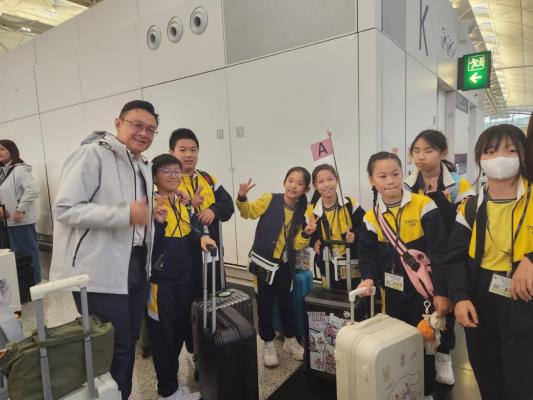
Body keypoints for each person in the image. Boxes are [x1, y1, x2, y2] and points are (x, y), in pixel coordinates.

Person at [50, 100, 159, 400]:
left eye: (151, 129)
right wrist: (124, 214)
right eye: (137, 125)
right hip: (98, 270)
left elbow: (136, 215)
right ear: (118, 123)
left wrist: (151, 217)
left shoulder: (143, 164)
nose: (144, 133)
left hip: (136, 264)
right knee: (113, 347)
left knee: (129, 340)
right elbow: (65, 209)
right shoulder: (93, 154)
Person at [447, 124, 533, 400]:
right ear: (480, 159)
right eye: (491, 151)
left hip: (525, 296)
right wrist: (460, 297)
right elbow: (455, 257)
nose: (500, 158)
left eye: (510, 150)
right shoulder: (471, 206)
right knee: (487, 371)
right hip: (481, 294)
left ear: (524, 154)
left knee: (523, 374)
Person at [357, 152, 449, 400]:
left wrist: (442, 291)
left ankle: (426, 390)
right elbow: (366, 254)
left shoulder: (423, 205)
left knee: (424, 339)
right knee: (396, 341)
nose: (390, 181)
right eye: (382, 176)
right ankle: (401, 389)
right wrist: (368, 277)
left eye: (395, 174)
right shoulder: (370, 217)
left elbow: (440, 251)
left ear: (403, 174)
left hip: (423, 292)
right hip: (391, 293)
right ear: (371, 180)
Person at [405, 130, 474, 385]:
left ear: (443, 152)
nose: (421, 157)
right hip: (415, 259)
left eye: (428, 150)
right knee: (418, 307)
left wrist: (439, 199)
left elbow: (464, 224)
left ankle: (444, 355)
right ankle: (418, 357)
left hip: (446, 256)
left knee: (445, 308)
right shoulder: (406, 185)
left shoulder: (459, 186)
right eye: (416, 151)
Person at [148, 154, 216, 400]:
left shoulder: (181, 203)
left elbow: (189, 230)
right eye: (166, 171)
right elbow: (149, 245)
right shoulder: (150, 204)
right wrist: (157, 222)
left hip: (183, 279)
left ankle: (172, 384)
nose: (174, 175)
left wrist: (201, 236)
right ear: (154, 177)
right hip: (160, 284)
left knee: (178, 332)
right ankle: (167, 391)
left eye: (176, 171)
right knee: (162, 337)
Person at [236, 167, 315, 367]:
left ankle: (290, 339)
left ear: (305, 189)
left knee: (286, 303)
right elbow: (248, 213)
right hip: (263, 264)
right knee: (265, 304)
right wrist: (242, 197)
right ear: (284, 182)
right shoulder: (269, 199)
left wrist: (306, 233)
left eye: (299, 183)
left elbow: (296, 244)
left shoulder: (303, 212)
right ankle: (268, 342)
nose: (293, 186)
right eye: (291, 180)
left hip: (285, 266)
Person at [307, 164, 365, 291]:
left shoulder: (350, 204)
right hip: (326, 262)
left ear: (337, 180)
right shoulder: (311, 211)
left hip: (351, 259)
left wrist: (355, 235)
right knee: (331, 295)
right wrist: (313, 242)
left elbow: (364, 226)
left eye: (330, 179)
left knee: (353, 294)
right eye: (321, 181)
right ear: (315, 185)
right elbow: (306, 234)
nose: (327, 185)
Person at [0, 140, 41, 283]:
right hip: (7, 223)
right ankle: (22, 289)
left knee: (28, 257)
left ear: (12, 151)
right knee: (14, 260)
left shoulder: (19, 170)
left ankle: (34, 287)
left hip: (21, 223)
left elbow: (33, 191)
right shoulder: (3, 172)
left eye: (2, 149)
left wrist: (20, 210)